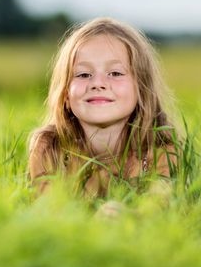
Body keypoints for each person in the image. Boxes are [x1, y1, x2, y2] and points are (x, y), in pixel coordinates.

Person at [28, 17, 179, 197]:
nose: (97, 84)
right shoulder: (49, 147)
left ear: (141, 88)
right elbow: (48, 209)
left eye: (115, 73)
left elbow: (159, 206)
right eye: (83, 74)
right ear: (66, 94)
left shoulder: (160, 148)